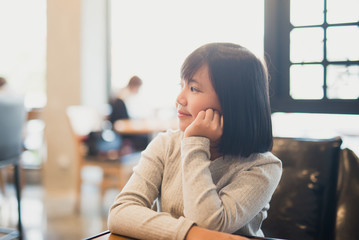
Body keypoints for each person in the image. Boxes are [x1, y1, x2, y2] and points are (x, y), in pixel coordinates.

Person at [108, 43, 282, 240]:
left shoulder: (263, 167)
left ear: (233, 101)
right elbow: (120, 213)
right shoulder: (166, 145)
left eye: (193, 88)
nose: (179, 99)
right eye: (181, 86)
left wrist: (195, 144)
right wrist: (190, 234)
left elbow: (208, 223)